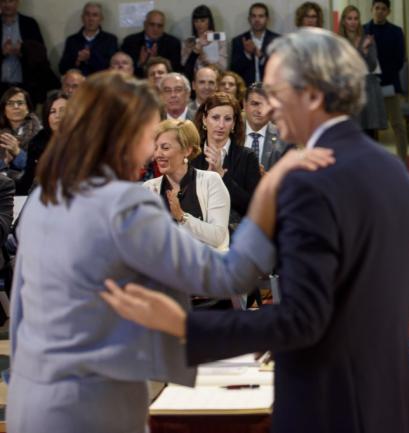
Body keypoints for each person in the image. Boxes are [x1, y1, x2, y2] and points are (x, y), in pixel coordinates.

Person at [102, 27, 409, 433]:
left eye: (276, 93)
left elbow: (302, 321)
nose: (268, 107)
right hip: (392, 401)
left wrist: (181, 326)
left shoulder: (309, 179)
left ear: (311, 94)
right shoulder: (391, 168)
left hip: (329, 405)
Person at [6, 70, 333, 433]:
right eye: (148, 136)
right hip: (92, 405)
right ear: (121, 135)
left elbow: (19, 314)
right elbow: (228, 274)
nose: (151, 150)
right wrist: (270, 192)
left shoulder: (45, 199)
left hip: (31, 398)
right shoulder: (123, 204)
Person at [144, 120, 230, 251]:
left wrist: (181, 217)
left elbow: (218, 236)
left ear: (187, 150)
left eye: (165, 148)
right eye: (155, 148)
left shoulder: (211, 181)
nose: (158, 154)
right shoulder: (148, 189)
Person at [193, 92, 260, 225]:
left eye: (227, 119)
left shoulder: (247, 157)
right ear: (205, 120)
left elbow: (253, 206)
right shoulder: (191, 155)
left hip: (234, 234)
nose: (221, 125)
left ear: (234, 123)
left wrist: (221, 175)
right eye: (215, 118)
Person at [364, 0, 408, 162]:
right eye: (377, 8)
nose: (380, 11)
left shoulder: (396, 31)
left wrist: (382, 76)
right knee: (369, 126)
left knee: (398, 125)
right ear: (371, 10)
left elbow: (399, 59)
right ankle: (371, 161)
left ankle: (402, 161)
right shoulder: (364, 30)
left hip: (390, 84)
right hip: (368, 86)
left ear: (388, 12)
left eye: (383, 9)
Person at [339, 5, 387, 137]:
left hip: (368, 89)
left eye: (356, 18)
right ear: (343, 21)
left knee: (369, 133)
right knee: (350, 134)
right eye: (349, 18)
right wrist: (362, 52)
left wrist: (366, 52)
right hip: (348, 91)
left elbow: (372, 66)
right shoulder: (338, 42)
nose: (353, 22)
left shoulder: (367, 39)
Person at [0, 0, 58, 104]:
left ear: (18, 2)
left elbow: (41, 55)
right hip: (1, 87)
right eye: (4, 1)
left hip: (26, 86)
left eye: (10, 1)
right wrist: (2, 52)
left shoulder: (29, 24)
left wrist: (23, 51)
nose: (7, 5)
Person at [14, 91, 66, 195]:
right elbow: (28, 179)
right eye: (52, 111)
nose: (58, 116)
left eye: (63, 110)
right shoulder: (37, 143)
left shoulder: (85, 141)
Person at [58, 2, 118, 76]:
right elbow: (62, 69)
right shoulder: (72, 40)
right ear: (82, 18)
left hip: (101, 83)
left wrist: (91, 57)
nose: (91, 19)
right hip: (78, 84)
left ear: (101, 19)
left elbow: (112, 68)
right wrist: (77, 60)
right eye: (87, 14)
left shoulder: (110, 40)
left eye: (95, 15)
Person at [230, 3, 280, 86]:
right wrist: (247, 54)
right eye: (254, 16)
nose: (257, 19)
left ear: (267, 19)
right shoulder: (238, 40)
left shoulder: (277, 40)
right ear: (249, 19)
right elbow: (233, 71)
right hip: (245, 91)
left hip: (270, 90)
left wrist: (260, 56)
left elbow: (279, 69)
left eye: (261, 16)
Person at [121, 10, 181, 77]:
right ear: (145, 24)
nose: (155, 29)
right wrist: (139, 63)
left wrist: (156, 61)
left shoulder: (173, 43)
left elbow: (175, 71)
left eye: (160, 26)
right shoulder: (130, 41)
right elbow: (124, 71)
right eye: (152, 24)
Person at [243, 82, 287, 171]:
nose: (259, 110)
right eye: (255, 104)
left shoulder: (284, 138)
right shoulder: (232, 134)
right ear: (244, 104)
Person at [0, 86, 40, 178]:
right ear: (4, 110)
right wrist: (5, 161)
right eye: (10, 103)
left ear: (28, 108)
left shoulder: (40, 133)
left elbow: (40, 167)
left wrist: (17, 152)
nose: (16, 107)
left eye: (20, 103)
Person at [182, 5, 228, 78]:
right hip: (194, 78)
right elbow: (184, 65)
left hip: (216, 77)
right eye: (196, 21)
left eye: (203, 20)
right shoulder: (188, 41)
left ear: (209, 21)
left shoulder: (219, 40)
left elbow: (223, 67)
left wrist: (204, 59)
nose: (199, 24)